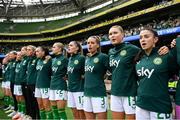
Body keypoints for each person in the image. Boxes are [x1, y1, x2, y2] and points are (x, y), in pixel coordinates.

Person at [108, 25, 169, 119]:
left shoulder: (132, 49)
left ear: (123, 35)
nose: (112, 36)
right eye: (110, 34)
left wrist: (166, 48)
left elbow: (149, 54)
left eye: (115, 33)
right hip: (115, 92)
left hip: (129, 93)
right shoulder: (110, 52)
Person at [135, 28, 178, 119]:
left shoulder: (165, 55)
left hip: (160, 106)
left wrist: (171, 47)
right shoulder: (138, 59)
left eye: (146, 37)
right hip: (141, 105)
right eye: (141, 37)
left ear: (155, 39)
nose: (143, 39)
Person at [83, 36, 109, 119]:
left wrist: (106, 78)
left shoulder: (103, 57)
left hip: (98, 92)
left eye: (92, 43)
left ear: (98, 45)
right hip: (87, 93)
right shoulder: (87, 59)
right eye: (88, 43)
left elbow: (112, 70)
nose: (89, 45)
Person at [49, 42, 68, 119]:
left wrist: (66, 76)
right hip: (52, 85)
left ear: (60, 49)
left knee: (61, 110)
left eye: (54, 47)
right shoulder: (53, 60)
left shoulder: (64, 59)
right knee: (54, 110)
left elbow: (70, 71)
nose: (52, 48)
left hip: (60, 85)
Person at [67, 41, 85, 119]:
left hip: (79, 89)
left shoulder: (81, 58)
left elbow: (86, 72)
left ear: (77, 48)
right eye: (68, 45)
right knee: (74, 112)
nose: (69, 47)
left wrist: (83, 76)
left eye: (71, 45)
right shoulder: (70, 58)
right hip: (70, 89)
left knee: (81, 112)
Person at [35, 46, 52, 119]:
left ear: (43, 52)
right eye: (36, 51)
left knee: (46, 105)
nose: (36, 53)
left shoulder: (50, 60)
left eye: (38, 51)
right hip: (38, 85)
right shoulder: (38, 61)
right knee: (40, 105)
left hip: (45, 85)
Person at [26, 45, 40, 119]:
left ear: (34, 51)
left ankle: (38, 117)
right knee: (30, 102)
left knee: (36, 103)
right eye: (27, 49)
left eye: (29, 50)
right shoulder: (29, 60)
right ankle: (32, 117)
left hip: (34, 84)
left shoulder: (37, 60)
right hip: (28, 83)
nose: (27, 51)